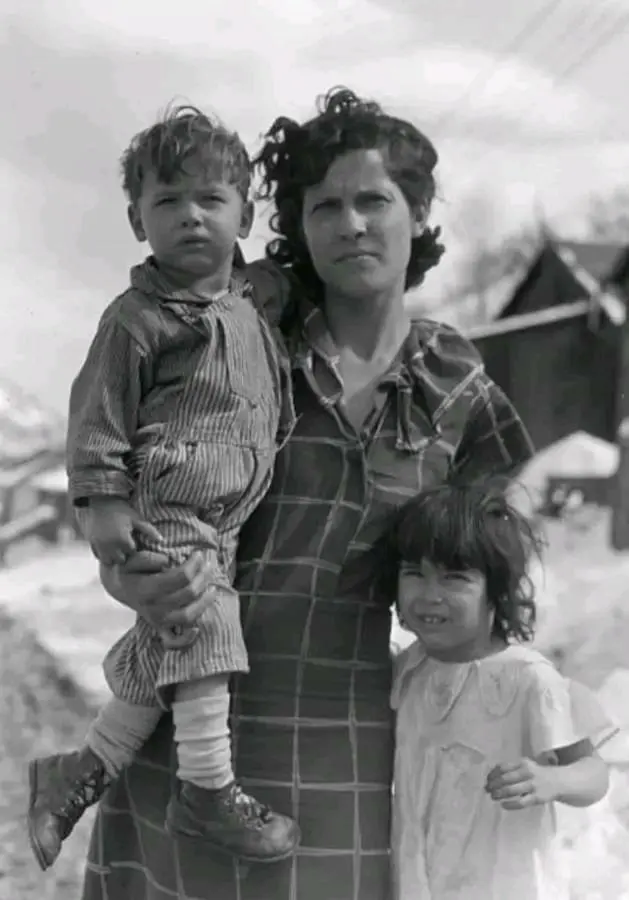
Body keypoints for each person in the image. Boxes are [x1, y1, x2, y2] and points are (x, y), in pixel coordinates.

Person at [80, 87, 535, 900]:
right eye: (324, 206)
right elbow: (126, 474)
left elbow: (488, 567)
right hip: (191, 724)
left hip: (348, 737)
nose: (350, 223)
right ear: (292, 226)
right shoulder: (232, 338)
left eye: (373, 200)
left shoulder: (457, 384)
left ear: (417, 211)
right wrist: (124, 575)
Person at [27, 105, 300, 872]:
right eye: (167, 202)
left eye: (210, 200)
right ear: (136, 219)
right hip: (167, 500)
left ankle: (80, 770)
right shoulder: (137, 319)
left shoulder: (251, 301)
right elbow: (98, 417)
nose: (190, 218)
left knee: (167, 646)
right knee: (201, 623)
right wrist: (104, 503)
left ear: (243, 211)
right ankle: (207, 787)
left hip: (226, 512)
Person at [391, 480, 615, 900]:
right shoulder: (410, 669)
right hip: (420, 883)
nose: (430, 595)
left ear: (496, 592)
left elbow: (595, 775)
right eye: (414, 574)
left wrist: (551, 779)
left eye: (454, 579)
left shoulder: (528, 680)